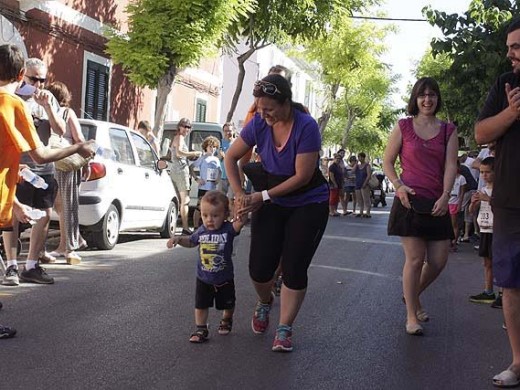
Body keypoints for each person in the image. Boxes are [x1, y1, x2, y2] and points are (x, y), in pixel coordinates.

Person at [225, 74, 329, 352]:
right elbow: (231, 157)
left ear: (285, 102)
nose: (264, 114)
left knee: (295, 267)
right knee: (259, 269)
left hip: (308, 200)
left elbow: (303, 176)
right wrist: (240, 194)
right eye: (260, 109)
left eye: (269, 109)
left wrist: (262, 196)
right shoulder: (259, 122)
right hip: (270, 196)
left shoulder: (306, 126)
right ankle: (265, 301)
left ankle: (284, 328)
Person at [0, 44, 94, 337]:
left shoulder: (35, 102)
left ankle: (25, 264)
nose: (38, 85)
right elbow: (40, 154)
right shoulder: (12, 104)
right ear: (20, 73)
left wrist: (14, 200)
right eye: (33, 78)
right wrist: (80, 147)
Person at [383, 77, 458, 336]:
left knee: (438, 261)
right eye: (422, 95)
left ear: (438, 99)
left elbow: (451, 165)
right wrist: (398, 186)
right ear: (415, 99)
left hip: (437, 202)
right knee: (415, 260)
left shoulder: (449, 130)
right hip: (409, 202)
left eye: (432, 95)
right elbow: (387, 161)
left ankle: (411, 296)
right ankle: (411, 315)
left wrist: (446, 195)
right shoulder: (404, 126)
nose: (428, 100)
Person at [474, 18, 520, 388]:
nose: (510, 54)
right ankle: (518, 363)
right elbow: (481, 132)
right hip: (510, 201)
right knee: (511, 284)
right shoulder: (505, 84)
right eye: (509, 47)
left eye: (517, 47)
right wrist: (510, 113)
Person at [166, 190, 245, 343]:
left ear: (225, 215)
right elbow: (191, 241)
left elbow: (240, 222)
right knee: (201, 304)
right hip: (203, 277)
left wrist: (239, 207)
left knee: (228, 303)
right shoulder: (201, 231)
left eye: (215, 216)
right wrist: (178, 239)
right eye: (205, 215)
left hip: (224, 278)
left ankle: (227, 319)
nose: (209, 220)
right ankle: (201, 328)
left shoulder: (228, 229)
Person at [45, 81, 87, 264]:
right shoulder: (60, 113)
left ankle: (68, 246)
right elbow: (79, 139)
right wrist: (87, 163)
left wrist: (85, 162)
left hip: (60, 163)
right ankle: (69, 243)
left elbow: (79, 140)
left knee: (65, 207)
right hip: (62, 164)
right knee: (63, 207)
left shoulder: (65, 113)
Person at [468, 157, 500, 305]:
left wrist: (487, 198)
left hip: (498, 230)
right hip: (485, 229)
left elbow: (502, 208)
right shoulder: (482, 190)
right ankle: (488, 291)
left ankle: (503, 293)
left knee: (500, 262)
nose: (484, 175)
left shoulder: (502, 189)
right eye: (482, 172)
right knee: (487, 262)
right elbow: (471, 211)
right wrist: (474, 203)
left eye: (487, 172)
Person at [169, 118, 202, 234]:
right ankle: (185, 228)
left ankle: (182, 226)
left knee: (179, 200)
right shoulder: (180, 137)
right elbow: (178, 153)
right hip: (181, 170)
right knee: (185, 200)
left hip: (176, 169)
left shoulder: (177, 138)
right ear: (179, 127)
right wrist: (194, 153)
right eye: (184, 126)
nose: (186, 129)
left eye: (188, 127)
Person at [191, 136, 221, 228]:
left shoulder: (216, 159)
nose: (212, 149)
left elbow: (219, 171)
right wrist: (197, 179)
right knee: (199, 207)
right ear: (206, 147)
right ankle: (196, 227)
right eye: (210, 147)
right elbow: (191, 167)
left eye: (214, 147)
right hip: (203, 187)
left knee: (211, 208)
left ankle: (207, 226)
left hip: (212, 188)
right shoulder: (202, 158)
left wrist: (217, 179)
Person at [447, 161, 467, 252]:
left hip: (455, 202)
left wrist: (460, 204)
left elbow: (462, 193)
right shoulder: (447, 176)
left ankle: (454, 242)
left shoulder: (461, 178)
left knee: (454, 224)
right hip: (447, 202)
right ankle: (447, 242)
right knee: (447, 223)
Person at [218, 122, 235, 214]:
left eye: (230, 131)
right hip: (222, 176)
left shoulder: (237, 143)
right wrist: (221, 156)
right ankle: (222, 219)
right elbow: (217, 159)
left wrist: (226, 157)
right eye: (226, 131)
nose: (228, 133)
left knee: (231, 200)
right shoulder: (220, 143)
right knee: (221, 200)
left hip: (233, 176)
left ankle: (231, 220)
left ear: (233, 131)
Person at [353, 152, 372, 218]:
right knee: (359, 199)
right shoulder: (357, 166)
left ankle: (368, 212)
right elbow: (352, 171)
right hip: (357, 184)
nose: (360, 158)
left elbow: (369, 175)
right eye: (359, 157)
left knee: (366, 199)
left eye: (361, 157)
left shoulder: (367, 165)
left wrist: (365, 183)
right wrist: (356, 163)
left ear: (364, 158)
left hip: (364, 184)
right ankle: (361, 212)